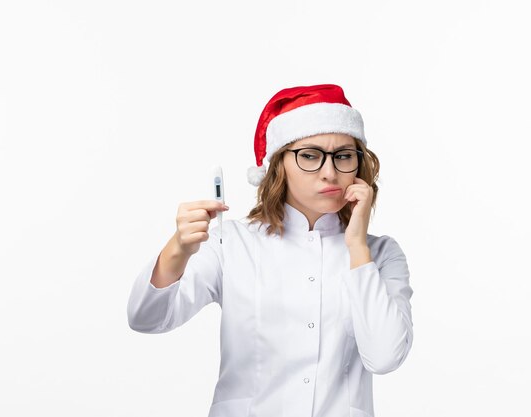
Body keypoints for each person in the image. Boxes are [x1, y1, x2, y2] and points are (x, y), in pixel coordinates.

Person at [127, 84, 413, 417]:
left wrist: (356, 246)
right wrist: (178, 249)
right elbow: (146, 319)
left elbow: (384, 357)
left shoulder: (380, 254)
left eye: (344, 155)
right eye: (309, 155)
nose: (330, 172)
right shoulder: (231, 243)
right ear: (278, 165)